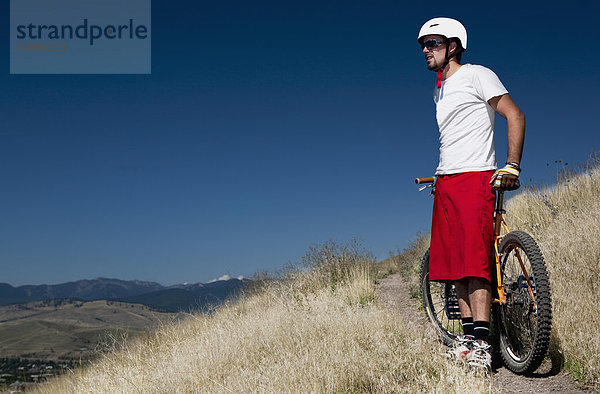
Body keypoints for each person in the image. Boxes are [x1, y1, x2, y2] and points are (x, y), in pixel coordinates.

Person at [417, 17, 525, 373]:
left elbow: (514, 115)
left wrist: (511, 165)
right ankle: (467, 339)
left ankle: (483, 344)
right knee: (453, 266)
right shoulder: (438, 90)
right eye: (423, 45)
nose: (425, 50)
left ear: (452, 46)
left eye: (432, 43)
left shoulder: (477, 74)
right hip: (446, 180)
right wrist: (440, 176)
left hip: (475, 175)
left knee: (475, 262)